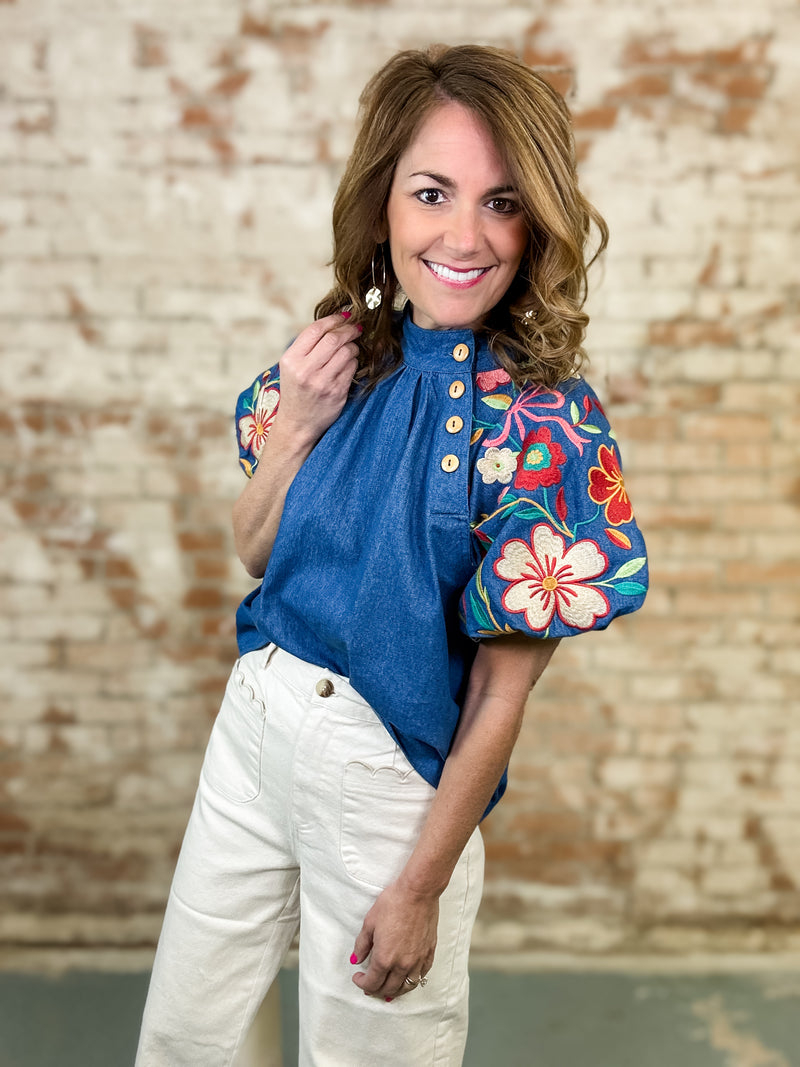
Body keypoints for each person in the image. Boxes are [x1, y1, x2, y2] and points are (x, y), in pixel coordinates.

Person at [136, 43, 648, 1066]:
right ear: (382, 205)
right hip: (254, 726)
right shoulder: (339, 357)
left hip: (386, 779)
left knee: (373, 1053)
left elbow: (499, 693)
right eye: (431, 193)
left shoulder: (548, 426)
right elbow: (257, 552)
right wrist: (295, 427)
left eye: (502, 203)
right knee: (189, 1035)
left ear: (536, 224)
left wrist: (419, 886)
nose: (463, 236)